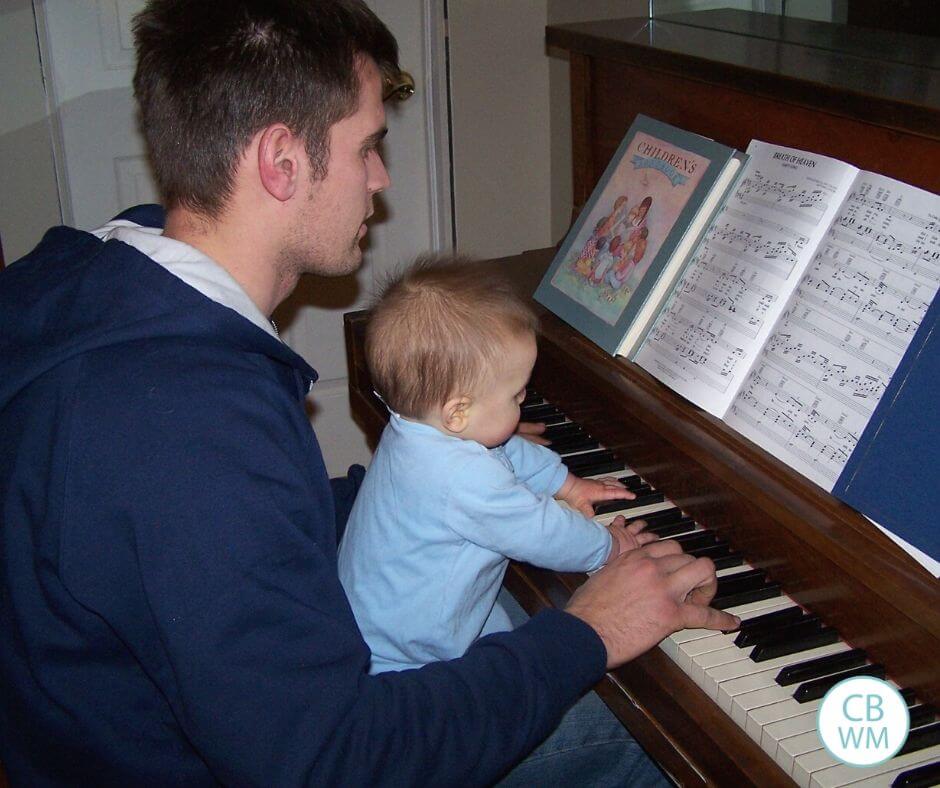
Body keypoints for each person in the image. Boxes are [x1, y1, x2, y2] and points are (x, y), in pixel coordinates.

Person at [0, 1, 738, 785]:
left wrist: (405, 488)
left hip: (184, 718)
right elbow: (334, 763)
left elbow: (226, 539)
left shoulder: (96, 274)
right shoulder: (184, 426)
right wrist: (590, 632)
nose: (380, 181)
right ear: (282, 161)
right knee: (678, 733)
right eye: (368, 147)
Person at [338, 257, 655, 674]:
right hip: (409, 657)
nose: (523, 403)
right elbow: (541, 532)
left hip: (387, 614)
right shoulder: (459, 477)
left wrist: (566, 483)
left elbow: (502, 448)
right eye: (516, 396)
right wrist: (609, 547)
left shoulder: (417, 431)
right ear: (458, 412)